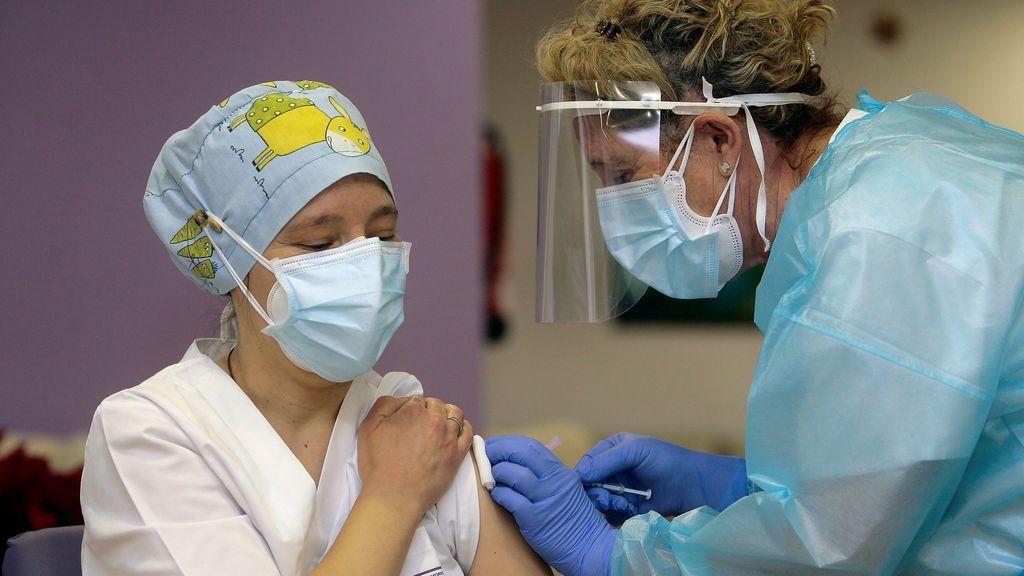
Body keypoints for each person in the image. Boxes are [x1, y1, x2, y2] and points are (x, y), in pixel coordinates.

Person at [485, 1, 1024, 574]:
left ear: (719, 140)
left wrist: (615, 558)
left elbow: (828, 553)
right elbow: (909, 466)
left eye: (622, 177)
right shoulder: (897, 163)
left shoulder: (875, 234)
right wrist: (732, 484)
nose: (616, 212)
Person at [81, 80, 550, 576]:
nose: (364, 262)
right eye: (319, 244)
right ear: (232, 262)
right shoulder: (154, 433)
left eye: (382, 234)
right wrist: (395, 494)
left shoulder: (416, 423)